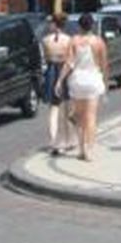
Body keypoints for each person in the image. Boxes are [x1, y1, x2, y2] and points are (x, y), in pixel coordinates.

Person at [57, 13, 108, 161]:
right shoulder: (99, 42)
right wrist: (105, 83)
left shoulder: (74, 41)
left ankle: (81, 148)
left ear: (79, 26)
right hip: (93, 79)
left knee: (79, 117)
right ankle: (89, 150)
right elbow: (104, 65)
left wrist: (60, 80)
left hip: (77, 80)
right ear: (92, 25)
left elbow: (69, 63)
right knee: (91, 117)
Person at [40, 14, 73, 155]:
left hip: (51, 71)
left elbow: (46, 58)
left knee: (53, 109)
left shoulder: (45, 40)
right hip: (65, 71)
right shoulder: (69, 40)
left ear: (54, 24)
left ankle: (53, 140)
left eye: (50, 23)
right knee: (66, 109)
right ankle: (68, 140)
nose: (49, 25)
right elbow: (71, 59)